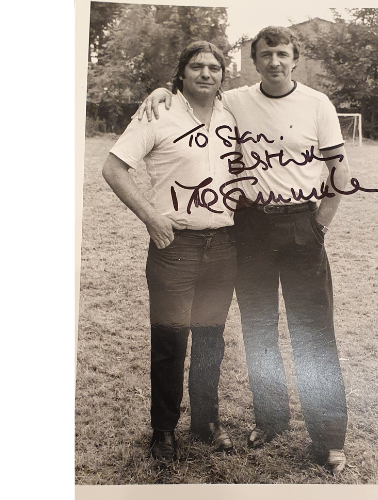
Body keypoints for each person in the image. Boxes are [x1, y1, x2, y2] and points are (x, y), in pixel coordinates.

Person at [136, 26, 351, 474]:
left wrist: (319, 226)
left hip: (300, 224)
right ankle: (270, 421)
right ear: (254, 61)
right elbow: (194, 91)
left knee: (313, 334)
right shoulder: (234, 101)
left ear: (295, 58)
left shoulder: (318, 103)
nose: (275, 61)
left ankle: (328, 438)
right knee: (259, 331)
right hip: (249, 229)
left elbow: (339, 174)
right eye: (266, 54)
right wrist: (161, 88)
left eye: (283, 54)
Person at [102, 41, 238, 461]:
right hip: (175, 245)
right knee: (169, 341)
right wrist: (151, 216)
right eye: (196, 66)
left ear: (222, 75)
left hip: (224, 244)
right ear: (181, 74)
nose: (205, 73)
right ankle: (163, 431)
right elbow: (113, 167)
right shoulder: (158, 113)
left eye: (213, 67)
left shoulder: (233, 114)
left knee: (210, 339)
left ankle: (206, 421)